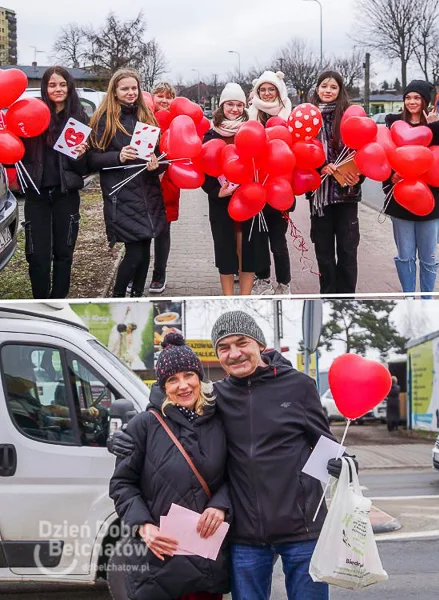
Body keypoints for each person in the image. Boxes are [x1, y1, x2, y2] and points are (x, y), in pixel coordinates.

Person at [110, 310, 358, 600]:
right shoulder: (217, 397)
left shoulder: (299, 386)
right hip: (246, 535)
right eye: (224, 348)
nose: (235, 353)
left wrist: (345, 465)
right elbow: (178, 426)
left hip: (301, 529)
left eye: (242, 343)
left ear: (260, 344)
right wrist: (122, 439)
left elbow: (326, 444)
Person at [109, 332, 230, 600]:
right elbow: (121, 484)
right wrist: (143, 526)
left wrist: (221, 505)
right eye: (172, 380)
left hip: (205, 561)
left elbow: (234, 475)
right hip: (159, 561)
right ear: (163, 387)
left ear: (199, 377)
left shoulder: (219, 421)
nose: (183, 385)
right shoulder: (145, 424)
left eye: (189, 375)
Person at [88, 68, 166, 298]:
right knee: (134, 253)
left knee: (145, 251)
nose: (131, 92)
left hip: (148, 194)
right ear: (115, 92)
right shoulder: (105, 120)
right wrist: (118, 156)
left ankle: (137, 295)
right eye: (125, 89)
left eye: (134, 88)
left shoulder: (147, 116)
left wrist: (157, 164)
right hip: (121, 195)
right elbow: (91, 159)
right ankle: (118, 297)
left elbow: (161, 157)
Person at [17, 66, 89, 299]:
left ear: (69, 86)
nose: (57, 89)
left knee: (63, 253)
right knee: (37, 255)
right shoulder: (32, 112)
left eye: (62, 84)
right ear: (45, 88)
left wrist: (81, 155)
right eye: (52, 84)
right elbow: (17, 152)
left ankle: (58, 300)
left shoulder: (79, 116)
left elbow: (86, 168)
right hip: (36, 195)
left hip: (65, 195)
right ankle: (40, 301)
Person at [383, 80, 439, 297]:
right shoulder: (393, 123)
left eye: (417, 98)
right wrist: (391, 177)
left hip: (431, 201)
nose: (412, 102)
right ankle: (408, 296)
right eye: (408, 97)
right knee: (405, 255)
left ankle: (427, 298)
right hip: (401, 200)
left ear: (425, 101)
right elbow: (384, 157)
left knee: (429, 257)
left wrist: (435, 125)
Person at [307, 70, 364, 294]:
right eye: (324, 86)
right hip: (319, 197)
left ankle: (347, 297)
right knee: (324, 252)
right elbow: (300, 154)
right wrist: (318, 167)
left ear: (340, 91)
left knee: (348, 250)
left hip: (346, 195)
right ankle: (328, 295)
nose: (328, 91)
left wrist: (358, 176)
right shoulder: (308, 117)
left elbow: (364, 153)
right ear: (317, 88)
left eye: (333, 87)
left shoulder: (350, 116)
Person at [201, 83, 257, 296]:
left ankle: (245, 298)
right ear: (222, 105)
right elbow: (204, 171)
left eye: (239, 105)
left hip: (249, 201)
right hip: (222, 204)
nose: (234, 109)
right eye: (230, 104)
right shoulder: (211, 135)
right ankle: (227, 298)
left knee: (248, 251)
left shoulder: (251, 130)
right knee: (225, 251)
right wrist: (216, 191)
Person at [247, 71, 293, 296]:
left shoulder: (288, 114)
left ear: (278, 91)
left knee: (278, 240)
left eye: (271, 89)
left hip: (279, 187)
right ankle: (263, 279)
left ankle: (284, 283)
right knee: (258, 239)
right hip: (255, 187)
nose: (266, 94)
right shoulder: (250, 114)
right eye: (262, 90)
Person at [148, 81, 178, 294]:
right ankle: (137, 271)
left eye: (168, 96)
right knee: (140, 227)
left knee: (163, 229)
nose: (164, 100)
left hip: (169, 180)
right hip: (144, 179)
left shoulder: (177, 122)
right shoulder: (144, 119)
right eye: (160, 95)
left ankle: (160, 273)